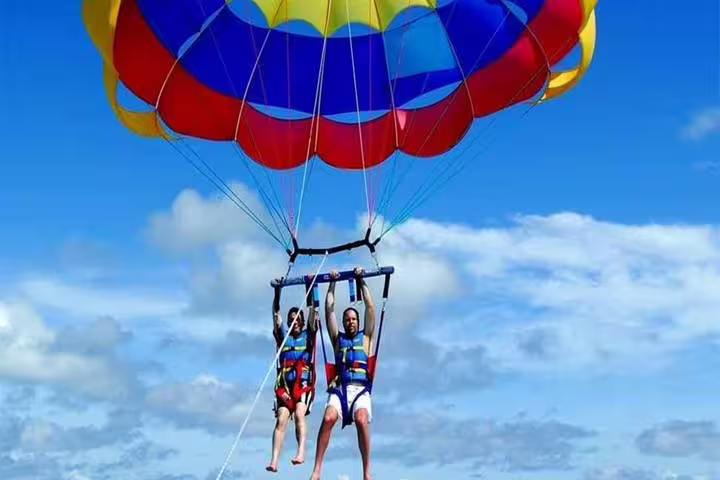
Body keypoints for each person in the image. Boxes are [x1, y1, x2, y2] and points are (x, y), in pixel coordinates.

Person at [309, 267, 376, 480]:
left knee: (362, 419)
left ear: (358, 321)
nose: (350, 322)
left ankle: (366, 471)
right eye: (347, 319)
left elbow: (370, 306)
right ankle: (317, 469)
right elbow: (329, 310)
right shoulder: (338, 340)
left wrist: (361, 280)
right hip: (340, 389)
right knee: (328, 417)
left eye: (353, 319)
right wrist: (332, 282)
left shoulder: (366, 337)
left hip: (360, 390)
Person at [267, 282, 318, 473]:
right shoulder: (282, 336)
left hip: (303, 385)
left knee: (299, 414)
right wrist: (277, 292)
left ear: (302, 322)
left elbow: (313, 311)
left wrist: (311, 287)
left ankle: (301, 452)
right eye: (291, 319)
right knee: (281, 419)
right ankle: (274, 461)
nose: (294, 321)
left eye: (297, 319)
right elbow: (275, 314)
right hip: (285, 388)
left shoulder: (309, 335)